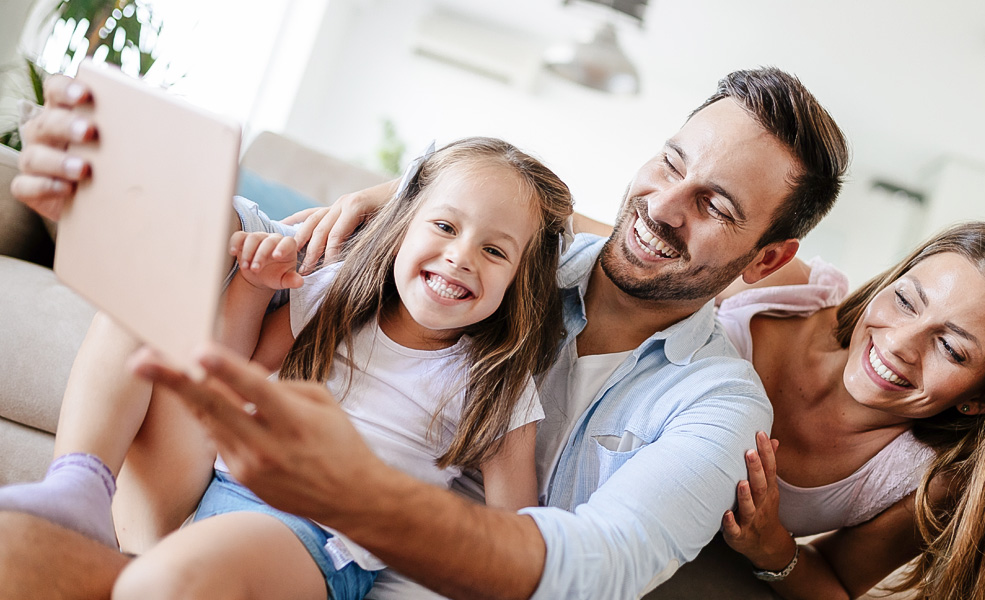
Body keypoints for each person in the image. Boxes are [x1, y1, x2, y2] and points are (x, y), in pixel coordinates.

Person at [2, 66, 850, 599]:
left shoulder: (718, 407)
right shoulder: (502, 255)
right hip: (211, 491)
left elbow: (596, 568)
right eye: (670, 163)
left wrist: (352, 493)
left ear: (769, 256)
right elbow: (257, 247)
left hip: (327, 551)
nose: (665, 207)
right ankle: (77, 483)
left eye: (717, 206)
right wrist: (107, 177)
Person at [2, 137, 574, 600]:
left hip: (315, 539)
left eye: (495, 251)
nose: (461, 255)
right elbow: (224, 378)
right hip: (211, 483)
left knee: (171, 579)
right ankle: (79, 483)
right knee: (138, 304)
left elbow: (512, 533)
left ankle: (142, 558)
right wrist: (253, 287)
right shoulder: (332, 296)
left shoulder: (495, 380)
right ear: (401, 226)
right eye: (445, 227)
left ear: (520, 279)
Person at [702, 221, 985, 600]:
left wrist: (771, 544)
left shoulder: (930, 480)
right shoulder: (780, 286)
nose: (898, 344)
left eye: (950, 348)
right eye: (906, 301)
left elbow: (838, 586)